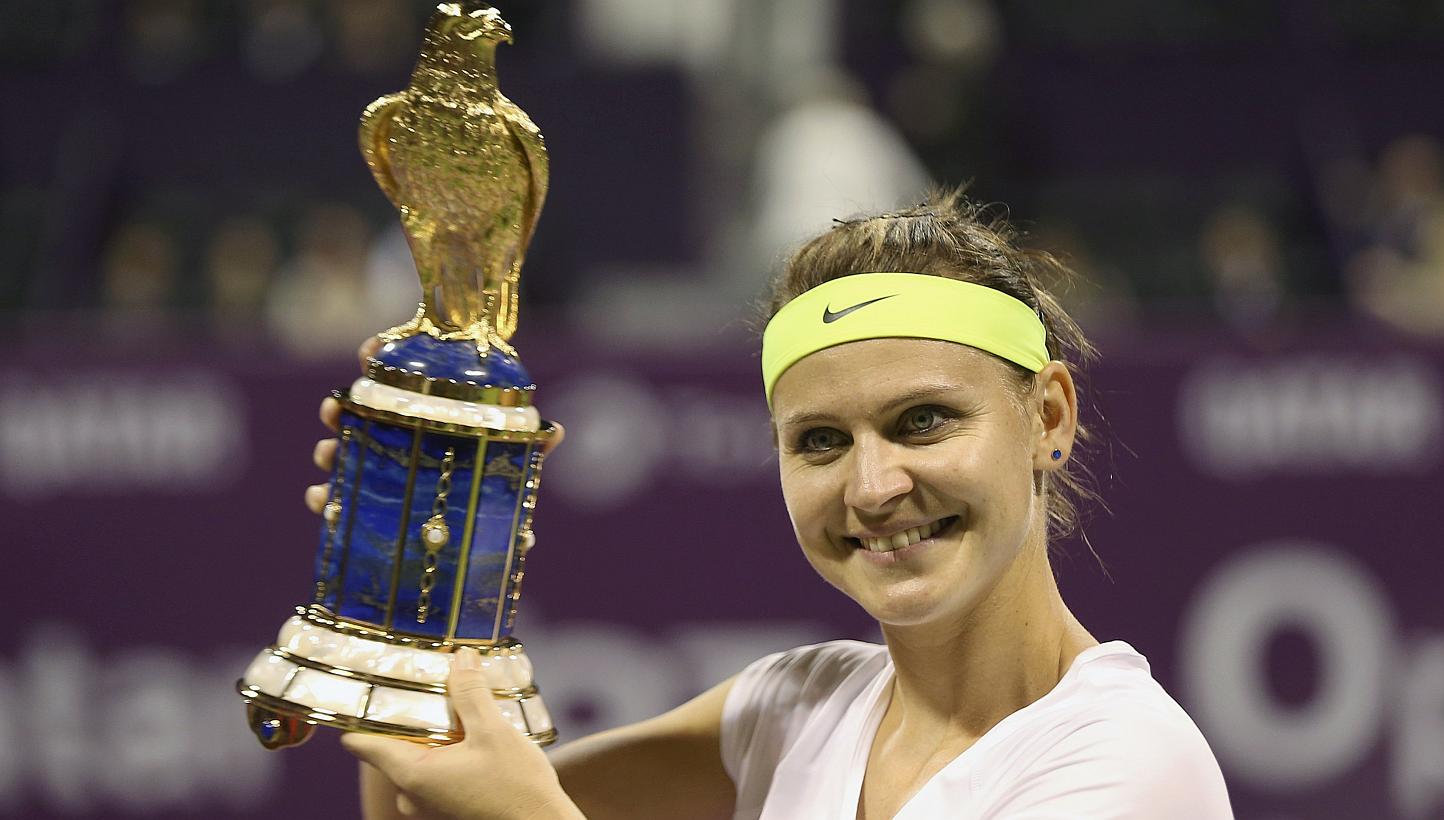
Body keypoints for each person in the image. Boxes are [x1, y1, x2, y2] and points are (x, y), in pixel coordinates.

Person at [305, 190, 1234, 819]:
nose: (873, 489)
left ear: (1049, 417)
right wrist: (412, 579)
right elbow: (441, 799)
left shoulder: (1131, 766)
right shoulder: (792, 706)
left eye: (923, 421)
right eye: (820, 441)